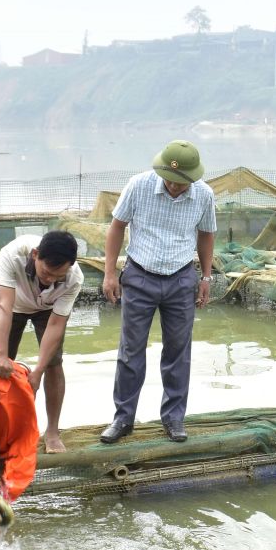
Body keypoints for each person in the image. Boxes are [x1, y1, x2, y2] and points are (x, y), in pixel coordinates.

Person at [100, 140, 217, 444]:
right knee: (131, 350)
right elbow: (117, 227)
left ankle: (174, 418)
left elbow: (206, 234)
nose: (175, 187)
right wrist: (110, 273)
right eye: (171, 180)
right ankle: (123, 419)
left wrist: (205, 277)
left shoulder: (204, 194)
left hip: (181, 278)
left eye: (182, 183)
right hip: (139, 275)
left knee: (178, 352)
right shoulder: (138, 185)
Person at [0, 230, 85, 453]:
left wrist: (38, 370)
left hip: (47, 309)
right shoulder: (13, 255)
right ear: (35, 255)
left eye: (57, 276)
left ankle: (52, 432)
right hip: (10, 305)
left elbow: (56, 325)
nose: (50, 279)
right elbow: (3, 307)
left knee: (53, 364)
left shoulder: (74, 278)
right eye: (46, 272)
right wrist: (1, 354)